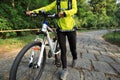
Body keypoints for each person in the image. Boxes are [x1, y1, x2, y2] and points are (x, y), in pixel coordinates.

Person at [26, 0, 78, 80]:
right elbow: (47, 7)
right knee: (63, 50)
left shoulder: (72, 0)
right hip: (61, 30)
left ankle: (75, 58)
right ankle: (64, 69)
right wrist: (32, 12)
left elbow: (75, 10)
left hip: (71, 29)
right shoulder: (57, 2)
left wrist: (64, 13)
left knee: (73, 48)